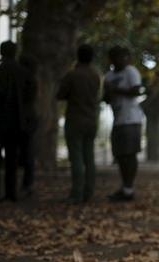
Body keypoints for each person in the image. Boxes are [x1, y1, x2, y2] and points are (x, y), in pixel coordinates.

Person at [0, 41, 29, 203]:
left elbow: (1, 92)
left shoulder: (1, 69)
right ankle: (11, 193)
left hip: (1, 118)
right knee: (12, 158)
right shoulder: (23, 72)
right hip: (16, 120)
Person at [57, 44, 101, 204]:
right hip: (91, 119)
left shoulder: (72, 75)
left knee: (76, 157)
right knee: (89, 157)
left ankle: (77, 193)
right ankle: (89, 191)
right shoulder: (95, 75)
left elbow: (60, 94)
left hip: (75, 118)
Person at [103, 46, 143, 202]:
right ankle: (125, 187)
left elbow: (136, 91)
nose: (122, 60)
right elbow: (106, 98)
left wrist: (115, 89)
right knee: (120, 155)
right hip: (118, 119)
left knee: (130, 154)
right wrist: (107, 92)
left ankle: (129, 187)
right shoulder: (109, 75)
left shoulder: (131, 72)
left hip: (131, 119)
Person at [18, 54, 38, 198]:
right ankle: (27, 183)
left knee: (24, 151)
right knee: (28, 151)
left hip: (23, 117)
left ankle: (26, 183)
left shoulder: (24, 80)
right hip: (30, 117)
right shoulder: (33, 80)